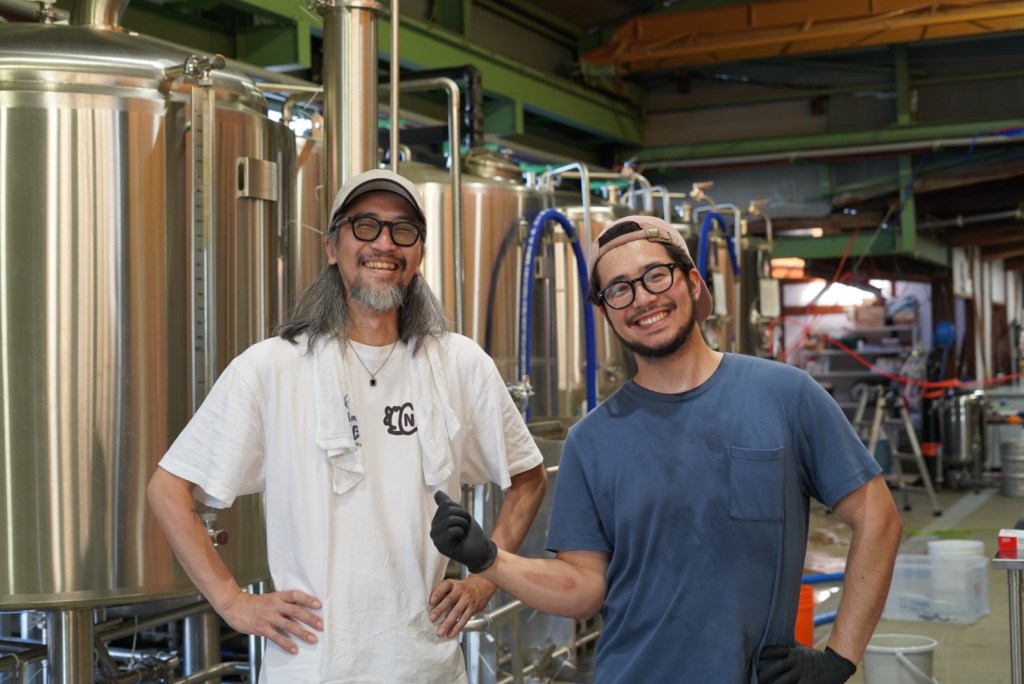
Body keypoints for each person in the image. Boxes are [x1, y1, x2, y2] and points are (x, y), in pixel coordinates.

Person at [431, 214, 903, 684]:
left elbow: (878, 519)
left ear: (693, 282)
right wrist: (489, 557)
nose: (642, 298)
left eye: (656, 275)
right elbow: (584, 588)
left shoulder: (786, 396)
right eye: (619, 289)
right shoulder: (590, 442)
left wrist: (839, 657)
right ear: (606, 312)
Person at [147, 168, 547, 683]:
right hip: (311, 667)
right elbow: (168, 490)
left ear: (419, 254)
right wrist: (232, 602)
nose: (385, 243)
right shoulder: (272, 367)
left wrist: (484, 580)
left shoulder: (459, 364)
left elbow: (528, 478)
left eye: (403, 230)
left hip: (426, 667)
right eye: (366, 226)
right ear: (332, 247)